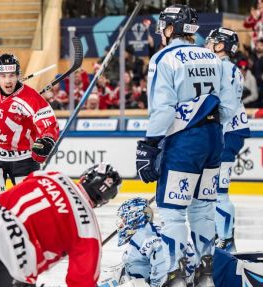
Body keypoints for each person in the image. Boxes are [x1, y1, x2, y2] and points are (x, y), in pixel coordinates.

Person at [135, 4, 238, 286]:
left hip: (183, 143)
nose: (161, 32)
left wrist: (150, 143)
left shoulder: (164, 58)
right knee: (204, 208)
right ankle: (207, 270)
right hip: (214, 139)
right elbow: (229, 106)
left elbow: (163, 110)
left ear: (170, 28)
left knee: (172, 211)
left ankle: (176, 274)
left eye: (163, 26)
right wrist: (206, 120)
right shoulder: (213, 57)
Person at [0, 163, 122, 287]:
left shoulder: (52, 175)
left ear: (84, 177)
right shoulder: (89, 230)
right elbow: (81, 282)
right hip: (0, 271)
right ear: (105, 200)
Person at [104, 198, 263, 287]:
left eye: (123, 219)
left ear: (134, 217)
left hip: (219, 271)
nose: (121, 224)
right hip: (218, 265)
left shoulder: (142, 237)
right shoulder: (154, 231)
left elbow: (160, 266)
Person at [0, 53, 59, 206]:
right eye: (4, 76)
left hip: (23, 158)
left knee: (31, 206)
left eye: (12, 75)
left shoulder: (31, 98)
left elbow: (49, 124)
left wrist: (47, 139)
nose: (8, 80)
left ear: (18, 75)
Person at [205, 27, 251, 252]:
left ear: (220, 45)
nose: (207, 44)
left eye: (211, 41)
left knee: (218, 193)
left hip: (226, 133)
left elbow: (227, 107)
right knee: (212, 191)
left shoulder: (224, 68)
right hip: (226, 132)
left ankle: (226, 241)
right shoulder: (223, 67)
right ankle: (219, 237)